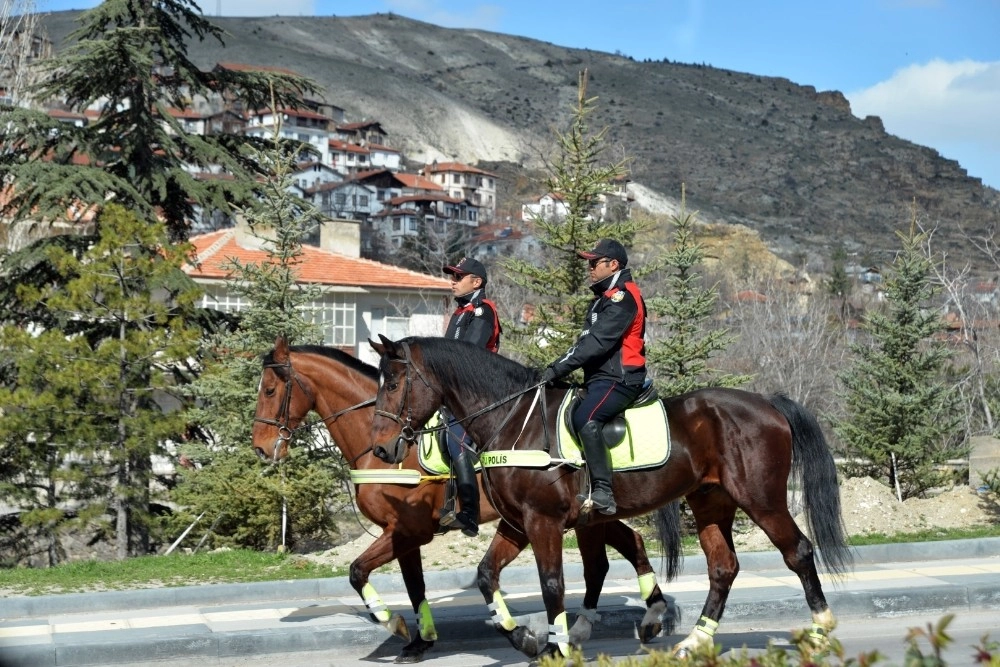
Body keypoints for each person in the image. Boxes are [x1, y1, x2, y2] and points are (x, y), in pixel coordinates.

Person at [540, 238, 647, 514]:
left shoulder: (624, 297)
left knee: (586, 418)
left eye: (594, 262)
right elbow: (585, 345)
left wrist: (556, 369)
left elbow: (596, 344)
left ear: (613, 265)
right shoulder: (601, 300)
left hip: (622, 379)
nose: (589, 267)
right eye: (588, 262)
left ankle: (603, 491)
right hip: (600, 379)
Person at [438, 256, 501, 536]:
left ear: (476, 282)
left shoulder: (483, 311)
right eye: (452, 276)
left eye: (458, 277)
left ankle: (470, 515)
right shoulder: (460, 313)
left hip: (479, 394)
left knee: (457, 444)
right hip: (456, 393)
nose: (452, 282)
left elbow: (468, 356)